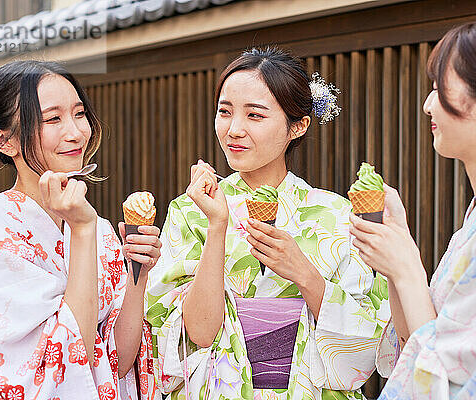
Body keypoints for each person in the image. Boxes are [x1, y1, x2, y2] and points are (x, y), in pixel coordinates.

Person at [145, 47, 390, 400]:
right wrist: (217, 226)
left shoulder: (337, 215)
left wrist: (305, 275)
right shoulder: (193, 208)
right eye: (224, 112)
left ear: (298, 125)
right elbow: (195, 333)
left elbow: (368, 341)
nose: (234, 130)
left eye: (255, 116)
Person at [349, 17, 476, 399]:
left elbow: (463, 386)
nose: (428, 105)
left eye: (438, 89)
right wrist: (397, 258)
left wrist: (409, 269)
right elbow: (419, 342)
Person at [0, 60, 162, 399]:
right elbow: (60, 362)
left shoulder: (99, 228)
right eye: (53, 119)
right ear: (4, 140)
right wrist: (82, 231)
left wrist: (138, 273)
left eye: (79, 114)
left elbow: (120, 362)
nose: (76, 132)